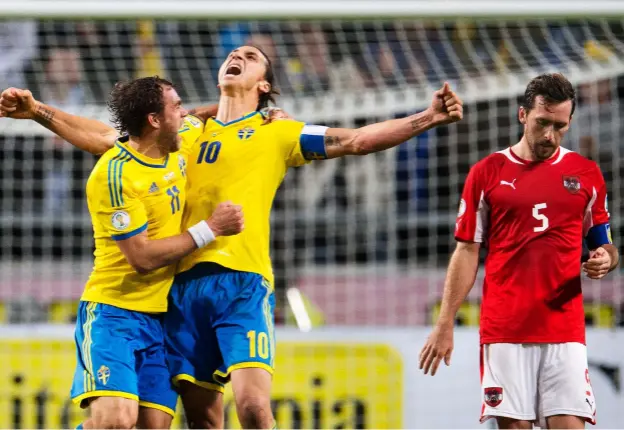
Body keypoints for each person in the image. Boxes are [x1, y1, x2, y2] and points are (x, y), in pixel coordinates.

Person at [1, 47, 464, 428]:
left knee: (254, 408)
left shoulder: (278, 132)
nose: (236, 56)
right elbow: (108, 137)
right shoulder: (185, 131)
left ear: (263, 84)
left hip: (242, 283)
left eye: (251, 56)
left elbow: (356, 139)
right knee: (198, 418)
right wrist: (38, 110)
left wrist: (426, 117)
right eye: (233, 53)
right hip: (176, 289)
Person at [0, 77, 244, 429]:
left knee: (153, 426)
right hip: (115, 313)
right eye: (175, 106)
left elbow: (200, 117)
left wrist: (256, 113)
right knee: (116, 420)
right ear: (154, 120)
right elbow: (141, 258)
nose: (184, 112)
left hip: (163, 317)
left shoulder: (176, 141)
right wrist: (211, 228)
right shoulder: (114, 176)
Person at [419, 73, 619, 430]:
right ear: (522, 114)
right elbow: (466, 251)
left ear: (570, 121)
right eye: (542, 123)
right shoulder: (487, 173)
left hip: (565, 328)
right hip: (505, 329)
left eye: (559, 126)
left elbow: (603, 242)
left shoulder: (586, 174)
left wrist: (606, 258)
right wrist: (444, 322)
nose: (549, 135)